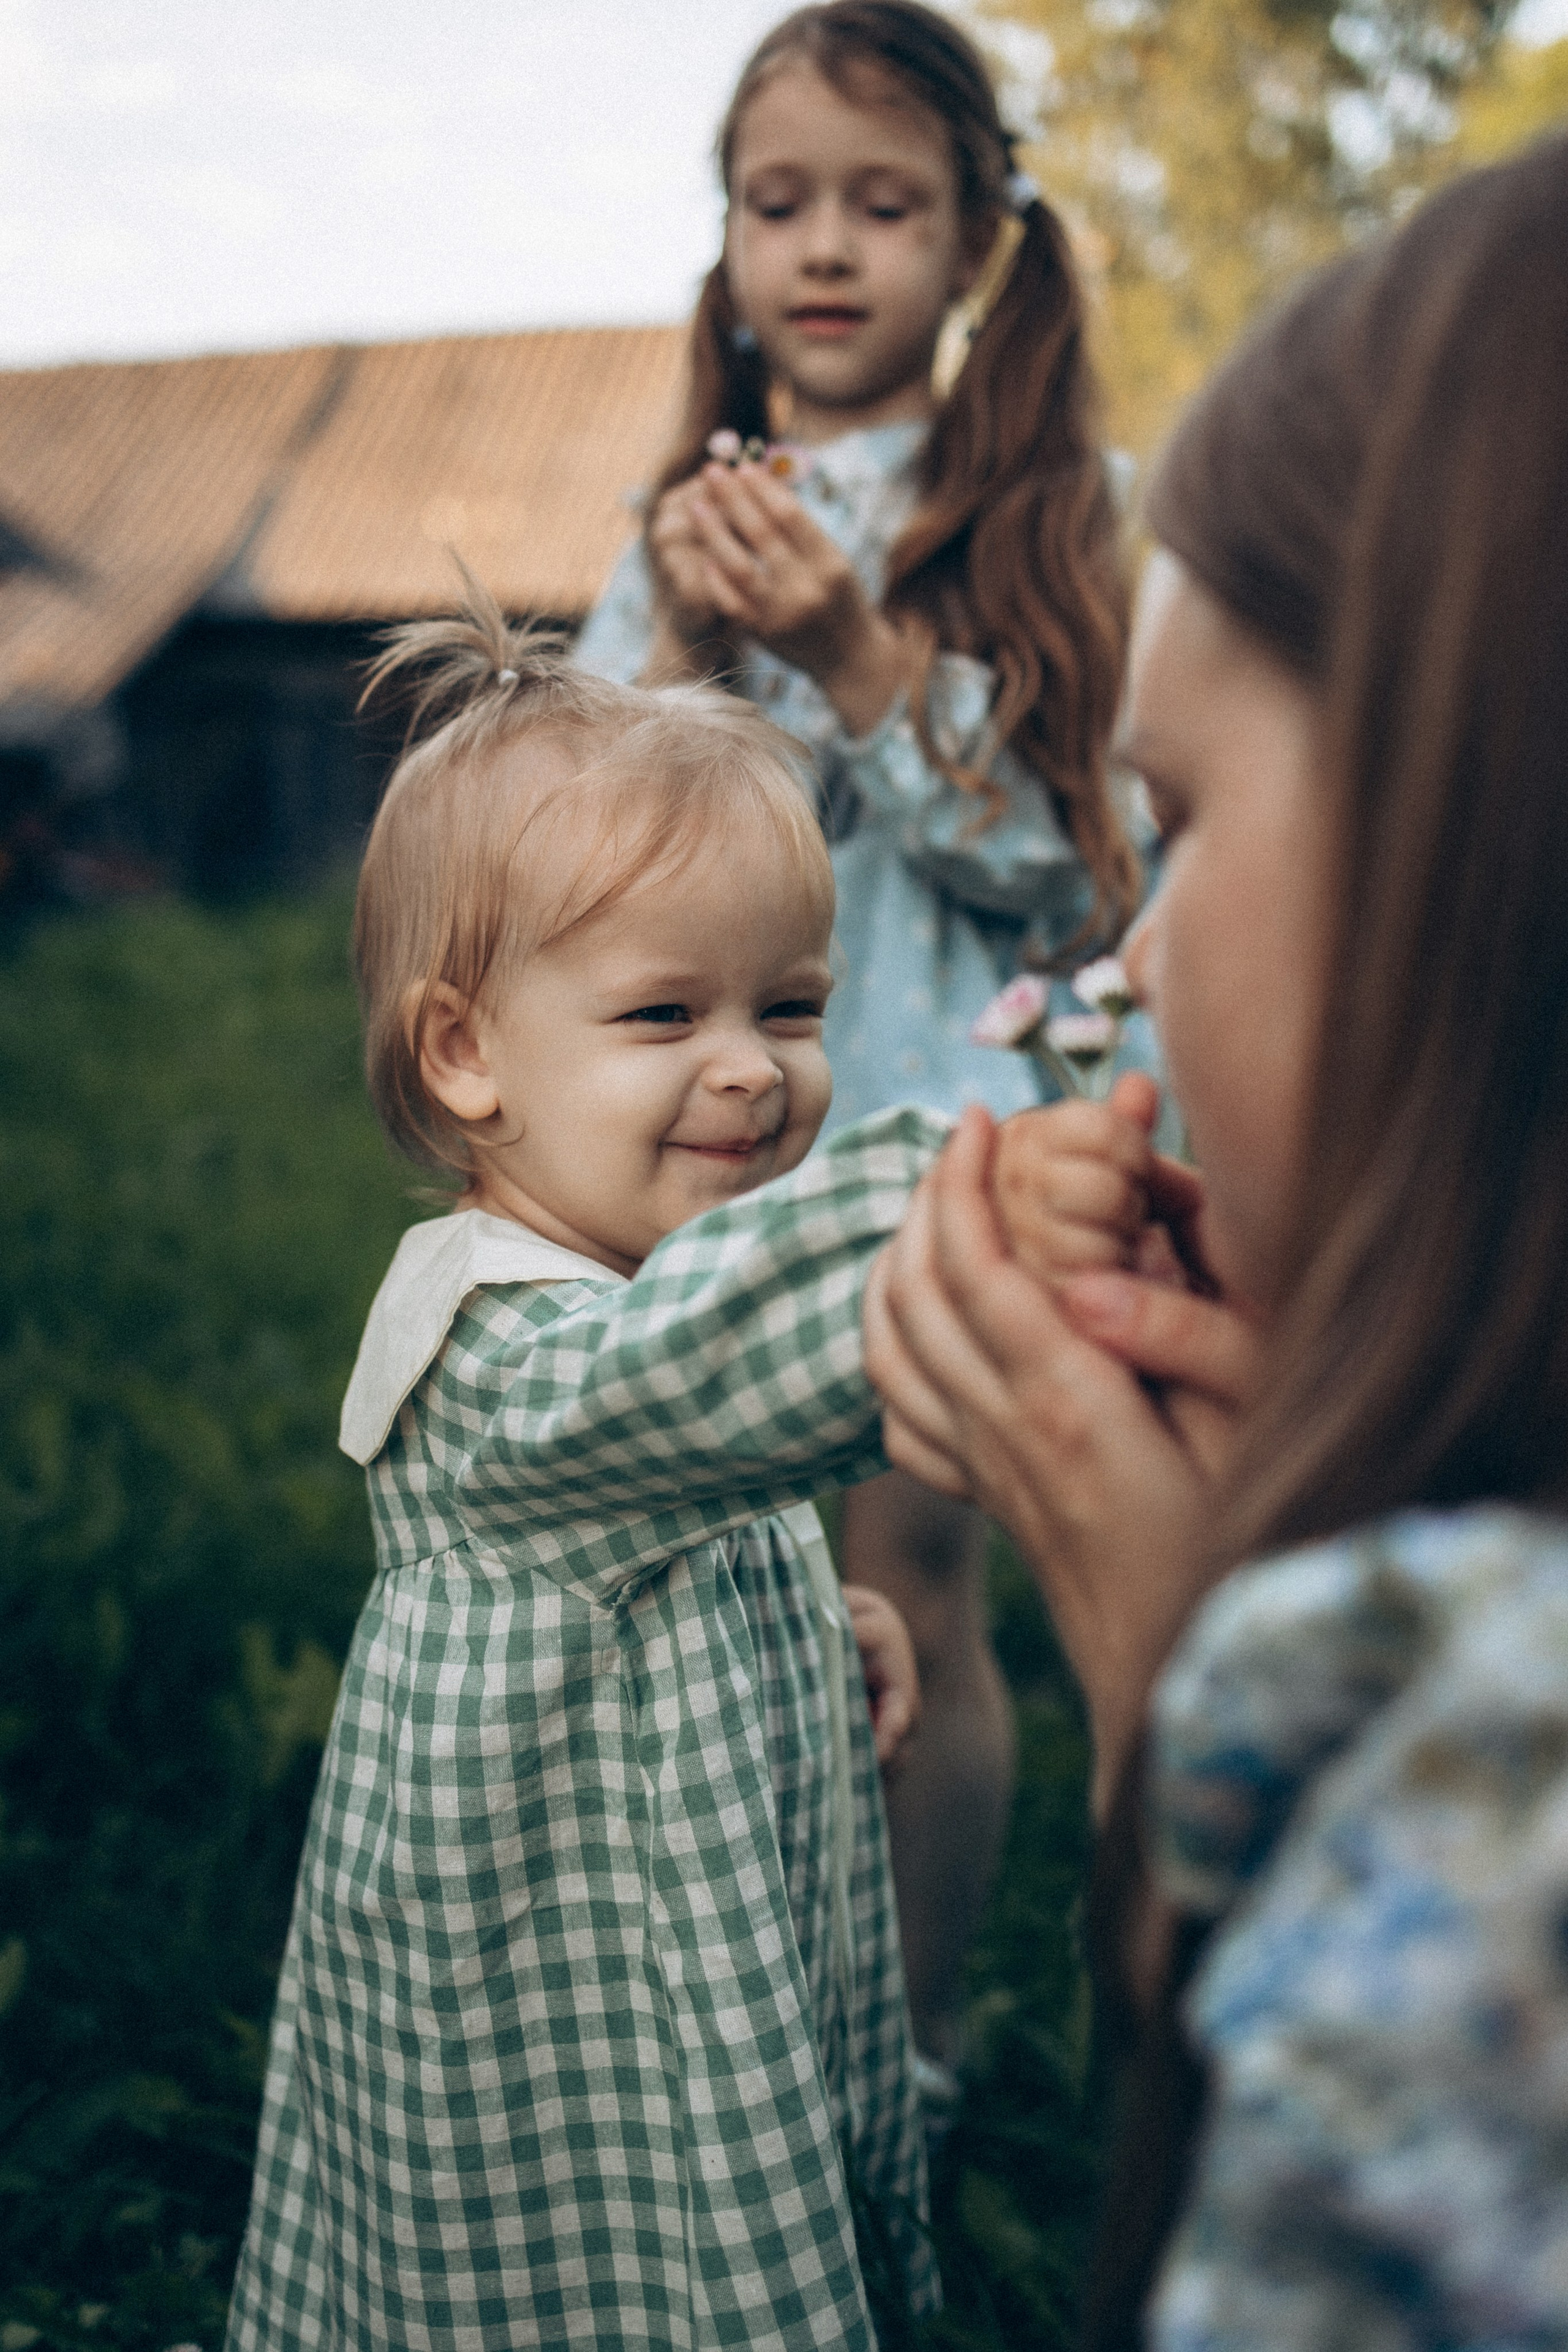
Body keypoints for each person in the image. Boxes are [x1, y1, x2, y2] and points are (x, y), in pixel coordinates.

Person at [864, 133, 1568, 2350]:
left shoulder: (1482, 1879)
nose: (1135, 961)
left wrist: (1196, 1701)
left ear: (1489, 836)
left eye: (1177, 826)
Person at [224, 598, 949, 2352]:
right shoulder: (503, 1349)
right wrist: (966, 1205)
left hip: (699, 1947)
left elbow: (693, 1481)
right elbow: (689, 1383)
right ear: (465, 1052)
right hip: (558, 2018)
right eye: (661, 1013)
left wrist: (802, 1615)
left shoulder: (649, 1304)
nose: (749, 1070)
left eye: (790, 1007)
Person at [576, 0, 1153, 2090]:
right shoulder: (682, 516)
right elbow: (604, 847)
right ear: (727, 240)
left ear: (979, 242)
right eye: (779, 201)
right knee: (739, 1601)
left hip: (948, 1147)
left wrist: (854, 647)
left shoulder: (1052, 508)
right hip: (727, 1145)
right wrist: (692, 656)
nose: (826, 250)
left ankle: (904, 2038)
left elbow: (1089, 875)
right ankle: (720, 2010)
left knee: (918, 1580)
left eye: (885, 206)